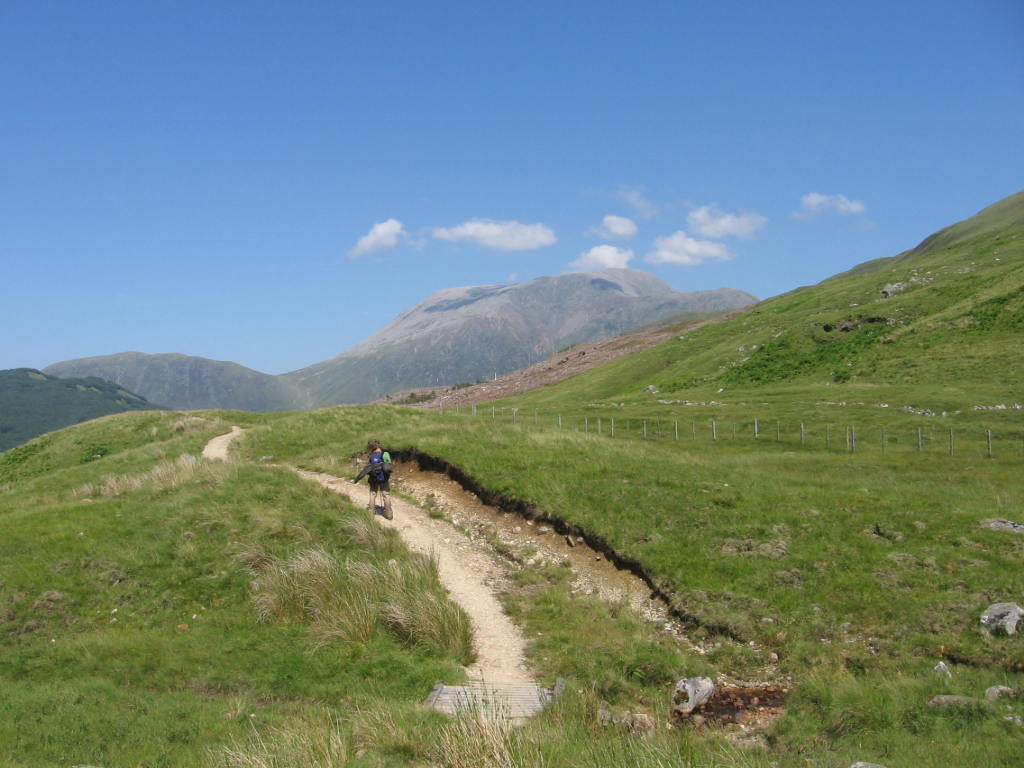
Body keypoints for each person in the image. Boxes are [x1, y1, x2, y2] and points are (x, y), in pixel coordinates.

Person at [352, 439, 393, 519]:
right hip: (383, 478)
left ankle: (371, 513)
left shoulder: (371, 456)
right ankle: (389, 514)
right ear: (378, 445)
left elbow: (369, 467)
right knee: (386, 495)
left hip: (373, 478)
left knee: (372, 494)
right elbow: (389, 466)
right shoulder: (385, 454)